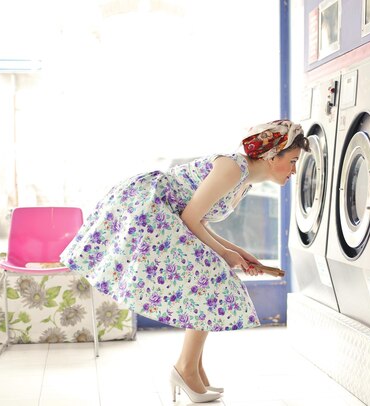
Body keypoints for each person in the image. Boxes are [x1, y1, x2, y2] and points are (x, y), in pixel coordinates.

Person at [60, 119, 309, 403]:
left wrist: (237, 252)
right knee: (210, 279)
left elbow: (198, 218)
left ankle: (193, 368)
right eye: (292, 161)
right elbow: (190, 219)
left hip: (166, 213)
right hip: (150, 205)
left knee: (210, 278)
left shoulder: (243, 181)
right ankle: (186, 368)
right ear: (271, 155)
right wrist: (226, 255)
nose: (294, 170)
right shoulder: (232, 168)